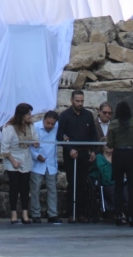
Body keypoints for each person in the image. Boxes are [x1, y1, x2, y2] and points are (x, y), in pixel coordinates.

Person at [56, 90, 97, 223]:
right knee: (72, 183)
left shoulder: (88, 115)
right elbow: (60, 135)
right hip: (71, 154)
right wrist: (69, 149)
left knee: (83, 183)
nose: (80, 103)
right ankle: (71, 213)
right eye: (77, 101)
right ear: (71, 100)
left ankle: (82, 213)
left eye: (82, 101)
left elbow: (93, 136)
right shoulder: (65, 116)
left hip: (84, 153)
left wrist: (94, 151)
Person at [1, 103, 40, 224]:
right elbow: (4, 148)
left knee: (24, 187)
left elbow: (35, 137)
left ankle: (24, 212)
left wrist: (35, 143)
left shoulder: (30, 126)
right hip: (12, 157)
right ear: (21, 115)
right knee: (14, 187)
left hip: (26, 157)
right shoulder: (9, 128)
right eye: (28, 114)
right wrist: (13, 161)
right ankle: (13, 213)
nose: (30, 116)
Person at [106, 101, 133, 226]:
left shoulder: (113, 124)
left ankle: (119, 214)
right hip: (132, 154)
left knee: (118, 186)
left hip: (119, 154)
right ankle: (132, 216)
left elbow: (110, 143)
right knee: (132, 186)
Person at [30, 110, 62, 224]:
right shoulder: (34, 127)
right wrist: (36, 156)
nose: (50, 126)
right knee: (35, 190)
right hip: (37, 163)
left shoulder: (57, 127)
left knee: (52, 190)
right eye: (48, 123)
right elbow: (28, 145)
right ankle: (35, 214)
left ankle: (52, 214)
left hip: (51, 163)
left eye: (52, 124)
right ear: (43, 120)